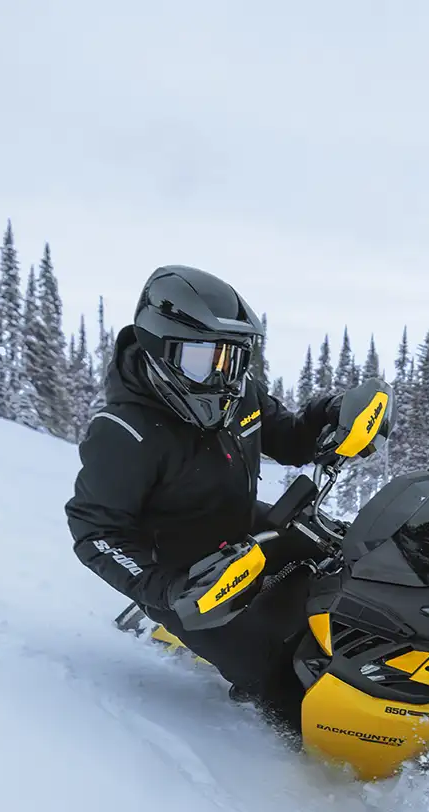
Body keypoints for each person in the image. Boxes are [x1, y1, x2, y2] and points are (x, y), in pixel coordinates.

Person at [66, 265, 347, 732]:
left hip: (246, 530)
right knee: (279, 676)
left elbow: (292, 438)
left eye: (232, 359)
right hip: (192, 584)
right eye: (203, 360)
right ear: (161, 351)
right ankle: (318, 762)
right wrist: (166, 590)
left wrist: (332, 415)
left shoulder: (238, 393)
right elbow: (95, 531)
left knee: (352, 565)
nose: (221, 376)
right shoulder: (125, 434)